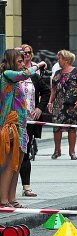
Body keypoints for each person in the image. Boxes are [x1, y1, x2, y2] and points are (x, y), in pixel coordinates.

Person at [0, 49, 46, 208]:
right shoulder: (7, 75)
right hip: (9, 125)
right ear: (12, 61)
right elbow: (24, 74)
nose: (22, 64)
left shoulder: (15, 79)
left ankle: (12, 199)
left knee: (16, 165)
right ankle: (4, 200)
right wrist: (39, 65)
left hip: (21, 125)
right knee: (8, 165)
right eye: (19, 61)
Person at [19, 44, 50, 199]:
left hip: (29, 121)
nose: (26, 55)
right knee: (10, 155)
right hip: (12, 121)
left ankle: (26, 187)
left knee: (25, 153)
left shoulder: (34, 75)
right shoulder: (11, 74)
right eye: (22, 53)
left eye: (28, 53)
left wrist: (39, 108)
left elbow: (46, 91)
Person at [48, 50, 77, 161]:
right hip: (59, 104)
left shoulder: (76, 71)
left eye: (59, 58)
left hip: (72, 104)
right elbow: (53, 89)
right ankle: (57, 150)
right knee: (56, 127)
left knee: (71, 128)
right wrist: (50, 102)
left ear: (66, 60)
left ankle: (72, 151)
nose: (58, 61)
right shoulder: (57, 73)